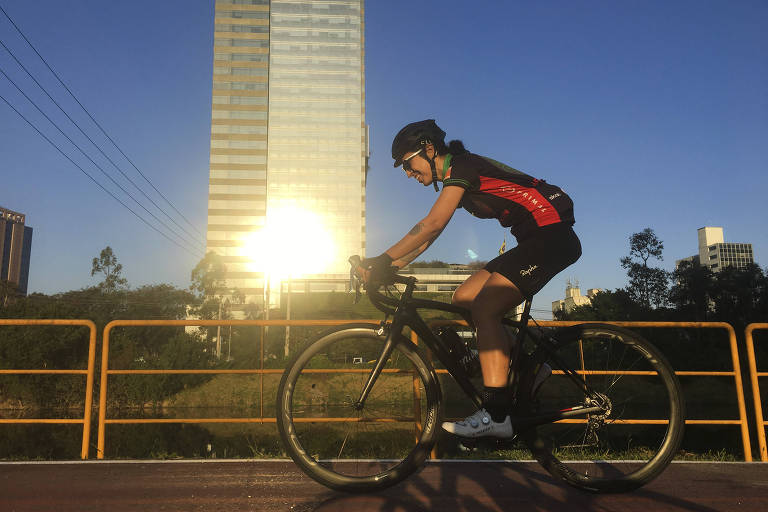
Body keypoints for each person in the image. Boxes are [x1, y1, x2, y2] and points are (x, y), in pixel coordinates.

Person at [359, 119, 581, 439]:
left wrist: (382, 259)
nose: (407, 173)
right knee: (464, 297)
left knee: (487, 307)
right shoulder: (456, 180)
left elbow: (432, 223)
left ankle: (496, 414)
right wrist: (389, 268)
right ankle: (527, 367)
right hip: (534, 239)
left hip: (552, 236)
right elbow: (427, 239)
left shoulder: (461, 166)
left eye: (408, 164)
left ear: (429, 149)